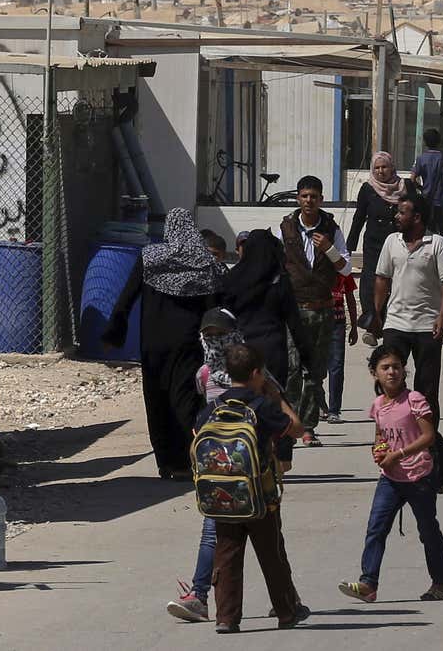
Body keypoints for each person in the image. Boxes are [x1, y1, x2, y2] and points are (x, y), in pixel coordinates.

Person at [104, 207, 220, 478]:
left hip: (154, 343)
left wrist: (113, 334)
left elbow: (126, 298)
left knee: (157, 399)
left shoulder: (151, 257)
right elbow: (214, 306)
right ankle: (189, 460)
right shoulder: (203, 261)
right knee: (186, 399)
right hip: (188, 344)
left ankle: (166, 462)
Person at [201, 344, 308, 633]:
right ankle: (286, 612)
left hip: (222, 496)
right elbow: (298, 429)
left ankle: (226, 617)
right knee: (271, 554)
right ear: (257, 373)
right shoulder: (260, 407)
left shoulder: (214, 407)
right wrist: (278, 397)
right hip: (259, 494)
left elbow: (196, 440)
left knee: (226, 554)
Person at [337, 344, 443, 604]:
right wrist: (378, 450)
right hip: (390, 477)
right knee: (376, 528)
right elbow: (380, 434)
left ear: (404, 371)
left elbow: (428, 436)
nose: (392, 372)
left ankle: (441, 582)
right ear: (374, 373)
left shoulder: (415, 400)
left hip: (419, 477)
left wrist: (398, 455)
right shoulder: (378, 405)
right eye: (385, 368)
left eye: (396, 367)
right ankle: (368, 584)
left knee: (428, 531)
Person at [279, 175, 352, 447]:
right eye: (304, 196)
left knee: (315, 372)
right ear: (298, 198)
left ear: (321, 199)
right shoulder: (285, 229)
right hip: (294, 311)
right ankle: (290, 424)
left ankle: (308, 427)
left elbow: (345, 269)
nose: (308, 201)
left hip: (322, 311)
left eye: (314, 196)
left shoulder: (331, 230)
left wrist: (329, 250)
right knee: (291, 370)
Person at [372, 193, 443, 423]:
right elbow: (382, 278)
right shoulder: (392, 241)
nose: (397, 216)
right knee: (389, 382)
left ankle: (428, 441)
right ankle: (392, 430)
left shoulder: (437, 243)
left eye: (402, 212)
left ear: (417, 217)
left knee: (426, 388)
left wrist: (442, 316)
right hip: (396, 324)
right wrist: (376, 313)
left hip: (426, 326)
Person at [217, 229, 310, 393]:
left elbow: (223, 318)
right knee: (271, 406)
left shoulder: (231, 278)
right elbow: (294, 323)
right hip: (272, 352)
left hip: (240, 353)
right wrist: (307, 357)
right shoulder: (279, 281)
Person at [348, 151, 408, 342]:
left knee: (395, 284)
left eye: (385, 167)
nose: (381, 171)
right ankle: (372, 324)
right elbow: (359, 218)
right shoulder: (368, 189)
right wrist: (348, 247)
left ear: (392, 167)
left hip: (399, 243)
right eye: (377, 168)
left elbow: (416, 214)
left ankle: (389, 323)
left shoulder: (405, 187)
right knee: (369, 284)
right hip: (374, 244)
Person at [413, 129, 443, 241]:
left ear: (425, 142)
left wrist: (420, 188)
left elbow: (412, 178)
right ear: (439, 142)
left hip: (427, 199)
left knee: (428, 229)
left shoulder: (421, 159)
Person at [327, 271, 359, 423]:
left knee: (336, 366)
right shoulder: (310, 265)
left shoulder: (343, 271)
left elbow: (351, 300)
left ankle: (334, 410)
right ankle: (319, 406)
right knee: (315, 368)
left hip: (337, 324)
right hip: (317, 322)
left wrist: (354, 327)